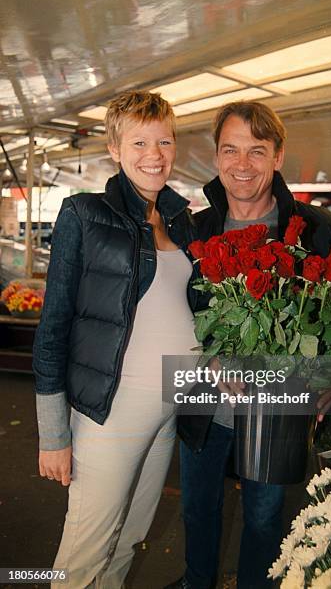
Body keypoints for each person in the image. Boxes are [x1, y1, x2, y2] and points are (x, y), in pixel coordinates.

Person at [166, 101, 331, 589]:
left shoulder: (319, 232)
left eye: (256, 150)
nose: (242, 164)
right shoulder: (194, 231)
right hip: (204, 401)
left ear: (277, 156)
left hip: (279, 408)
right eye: (230, 150)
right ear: (216, 156)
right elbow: (172, 312)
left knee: (266, 519)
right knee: (196, 510)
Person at [33, 90, 199, 589]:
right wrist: (52, 434)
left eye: (164, 141)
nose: (155, 154)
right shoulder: (84, 214)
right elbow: (54, 324)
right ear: (114, 147)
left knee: (128, 540)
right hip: (112, 412)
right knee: (84, 554)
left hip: (166, 413)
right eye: (140, 142)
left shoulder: (180, 219)